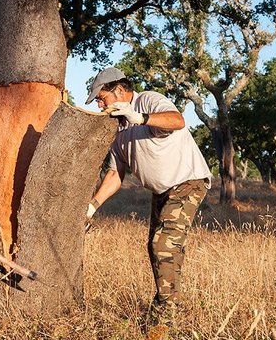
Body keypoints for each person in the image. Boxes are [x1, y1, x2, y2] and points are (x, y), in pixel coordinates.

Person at [84, 67, 212, 325]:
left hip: (187, 181)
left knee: (163, 244)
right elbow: (115, 175)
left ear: (119, 90)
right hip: (162, 191)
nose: (100, 104)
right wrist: (91, 208)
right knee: (158, 247)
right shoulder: (117, 129)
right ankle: (169, 303)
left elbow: (177, 121)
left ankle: (165, 320)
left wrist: (138, 117)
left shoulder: (147, 100)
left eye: (101, 97)